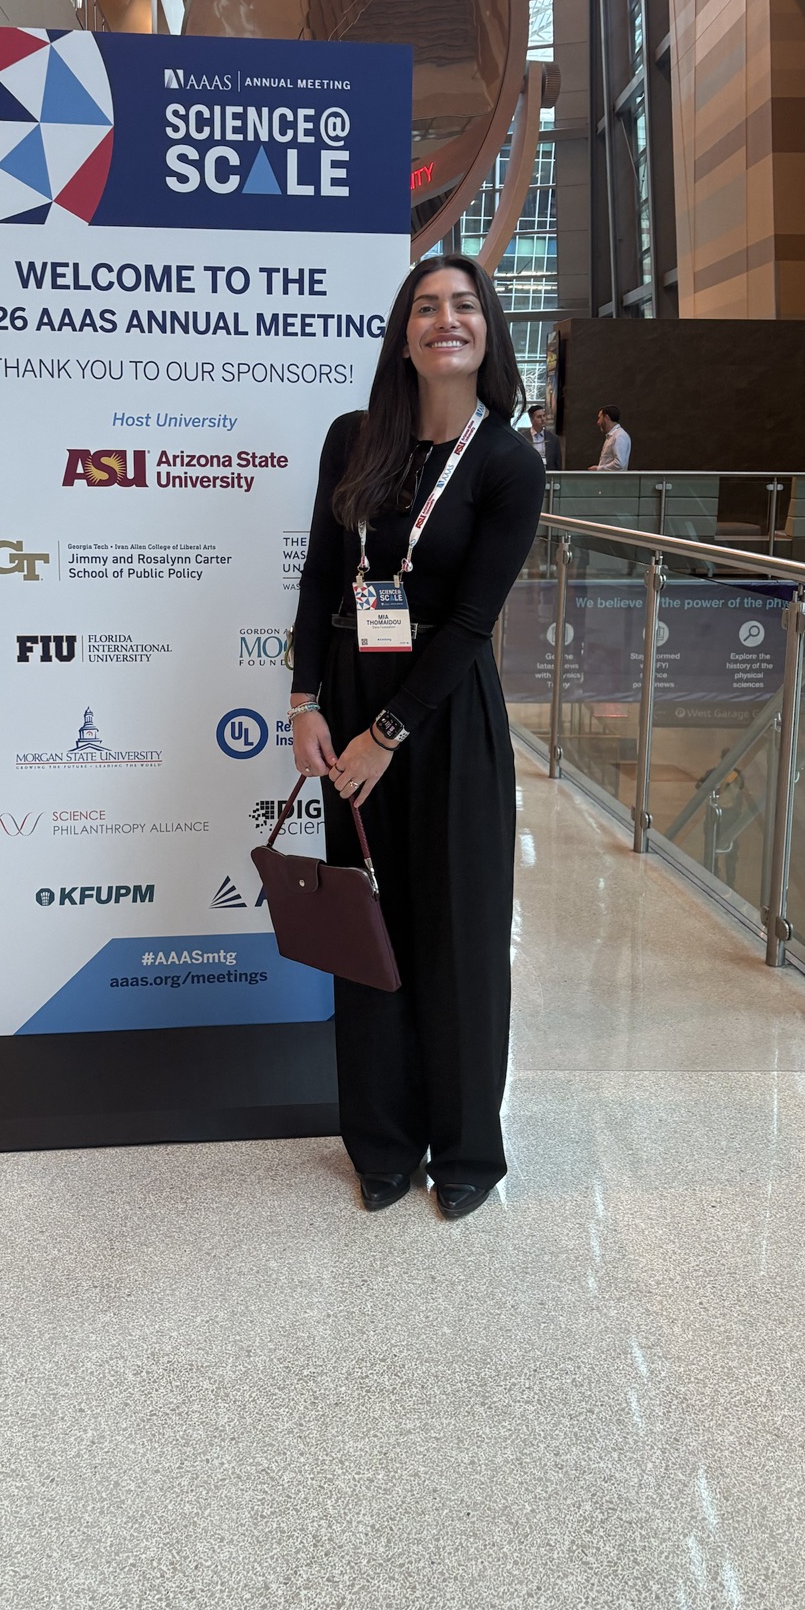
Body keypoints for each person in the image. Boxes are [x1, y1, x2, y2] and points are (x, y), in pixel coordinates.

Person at [288, 256, 545, 1221]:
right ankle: (382, 1142)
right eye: (427, 306)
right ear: (404, 334)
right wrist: (305, 702)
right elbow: (322, 576)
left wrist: (385, 735)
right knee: (369, 932)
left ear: (488, 332)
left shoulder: (509, 463)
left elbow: (473, 621)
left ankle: (468, 1146)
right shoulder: (353, 440)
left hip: (442, 715)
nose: (447, 319)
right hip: (348, 697)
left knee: (459, 935)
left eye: (465, 306)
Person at [519, 403, 563, 469]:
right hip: (529, 471)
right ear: (531, 420)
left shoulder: (553, 438)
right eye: (539, 417)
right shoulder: (523, 437)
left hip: (549, 472)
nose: (543, 419)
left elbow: (558, 462)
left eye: (544, 416)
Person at [590, 405, 630, 471]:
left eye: (599, 418)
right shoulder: (613, 436)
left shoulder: (619, 436)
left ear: (606, 417)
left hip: (613, 478)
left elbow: (619, 464)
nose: (598, 422)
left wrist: (598, 468)